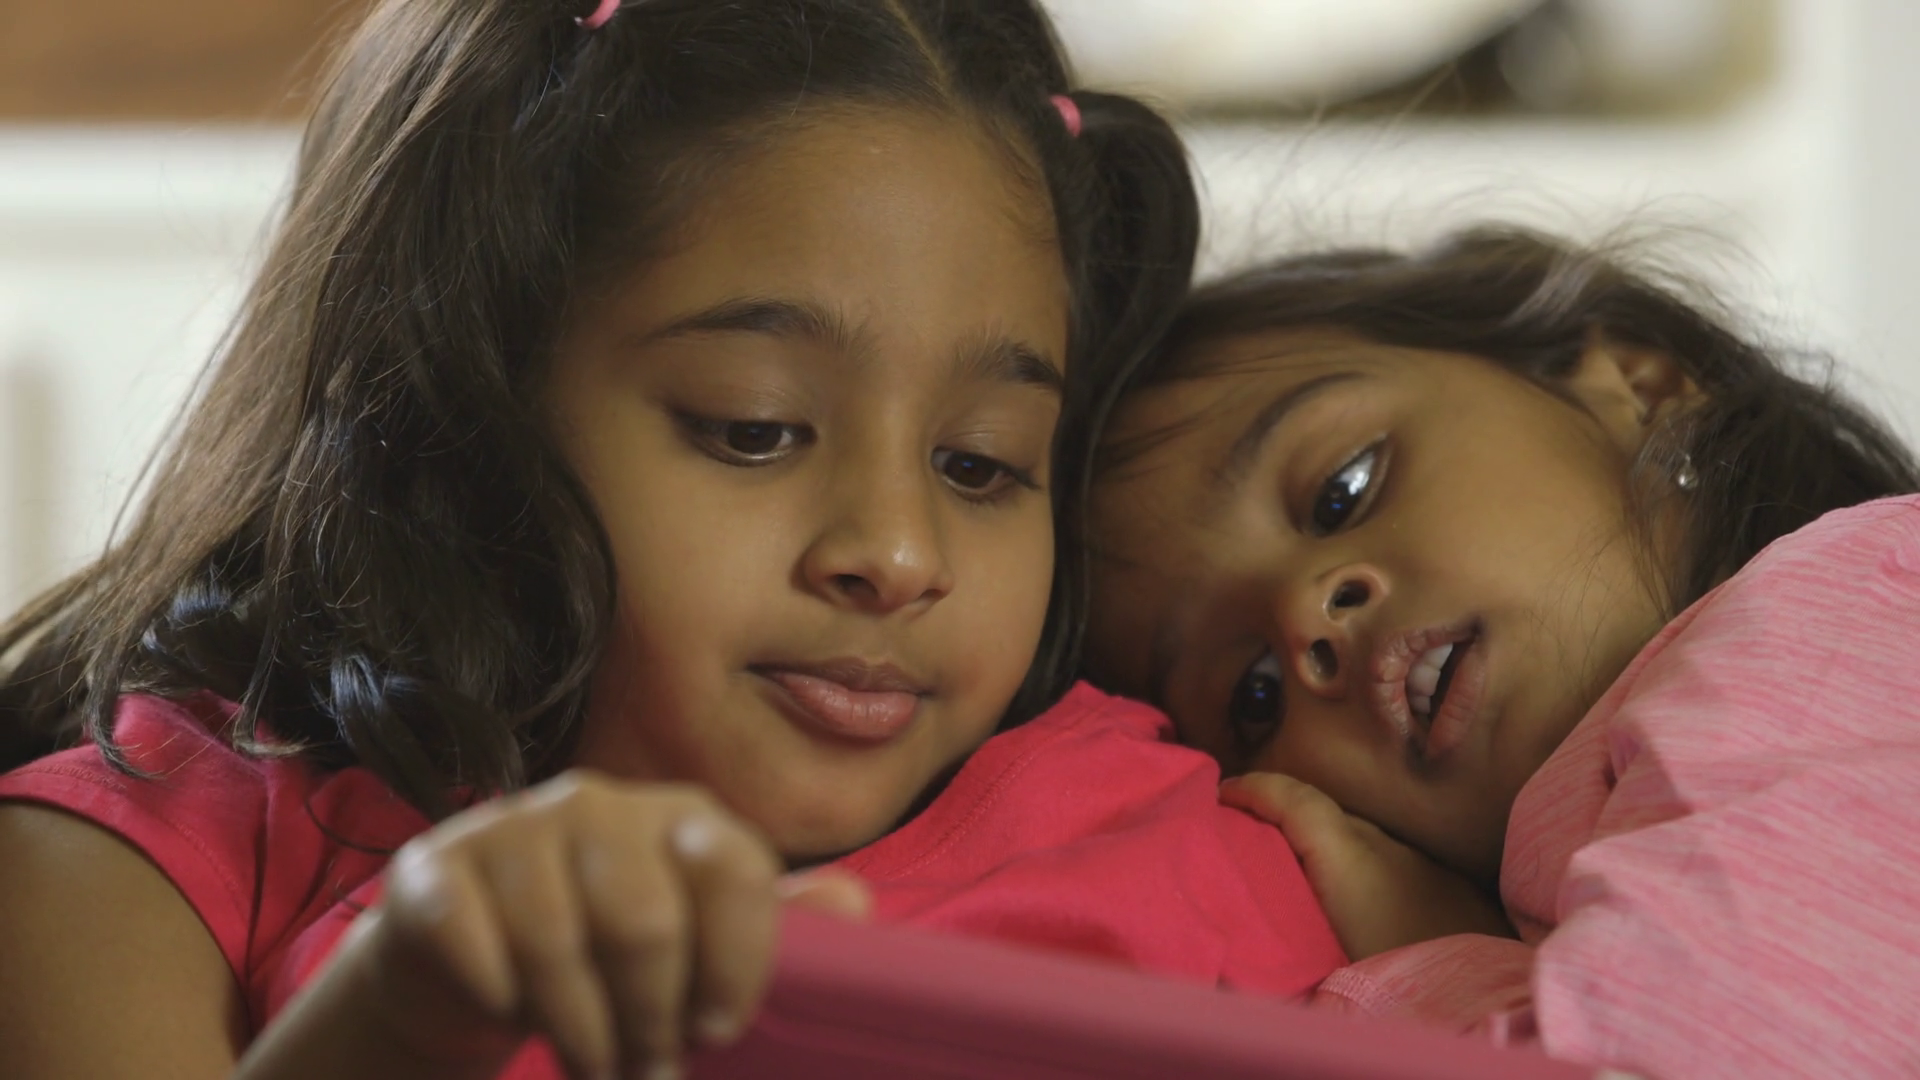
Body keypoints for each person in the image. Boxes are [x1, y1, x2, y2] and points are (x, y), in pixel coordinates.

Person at [0, 1, 1203, 1077]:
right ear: (454, 413)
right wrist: (399, 1030)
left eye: (980, 463)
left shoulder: (1180, 822)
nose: (898, 554)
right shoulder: (122, 881)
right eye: (754, 429)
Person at [1085, 228, 1920, 1078]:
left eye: (1344, 490)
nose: (1305, 619)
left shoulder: (1839, 614)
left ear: (1636, 386)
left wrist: (1432, 958)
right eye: (1254, 693)